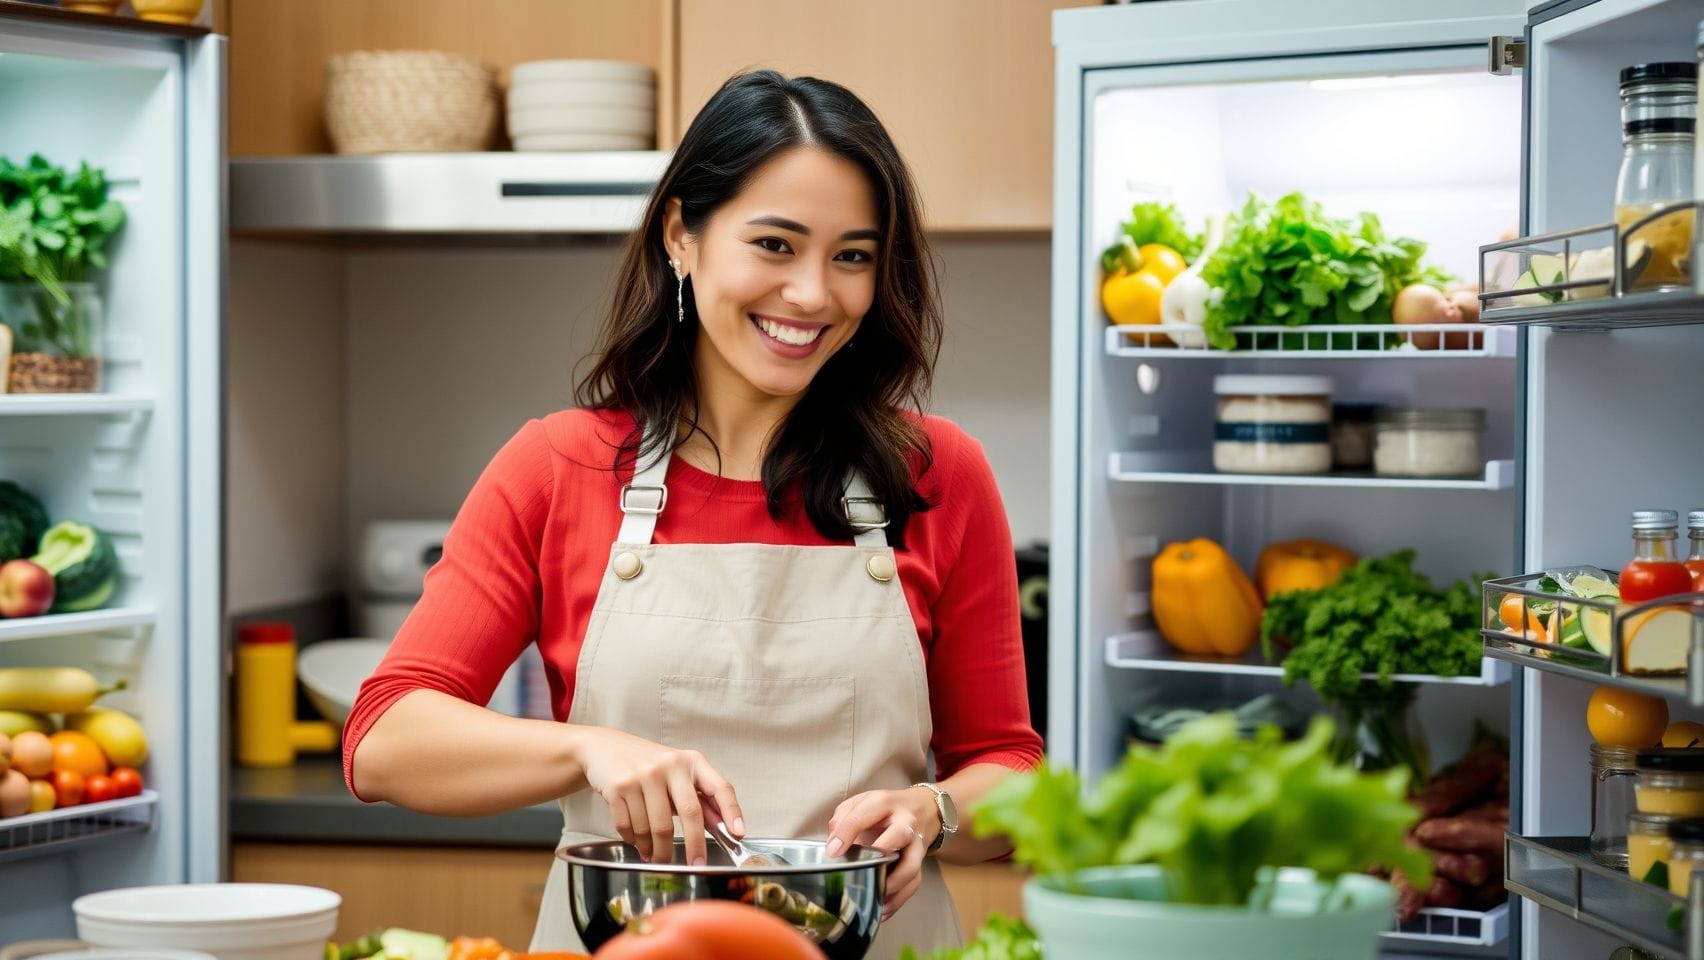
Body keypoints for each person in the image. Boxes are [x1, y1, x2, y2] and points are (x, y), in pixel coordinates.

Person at [342, 69, 1042, 957]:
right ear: (683, 235)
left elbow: (1013, 776)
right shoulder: (558, 468)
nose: (814, 294)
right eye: (776, 245)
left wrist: (933, 812)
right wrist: (587, 750)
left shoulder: (939, 474)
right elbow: (386, 738)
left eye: (852, 256)